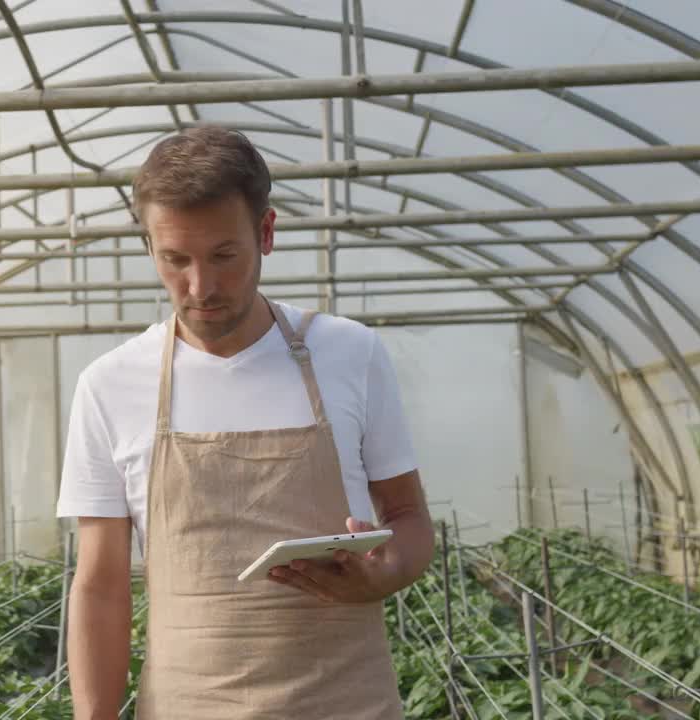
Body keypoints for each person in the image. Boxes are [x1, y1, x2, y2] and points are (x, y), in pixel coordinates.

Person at [56, 126, 434, 719]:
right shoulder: (110, 385)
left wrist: (388, 573)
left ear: (265, 233)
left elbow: (409, 519)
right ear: (148, 246)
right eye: (174, 260)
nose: (200, 288)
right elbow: (101, 584)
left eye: (224, 256)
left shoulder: (350, 354)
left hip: (348, 703)